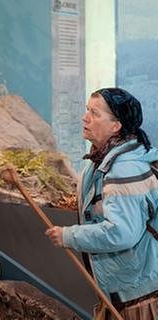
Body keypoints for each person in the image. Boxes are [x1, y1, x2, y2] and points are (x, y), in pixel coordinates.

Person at [46, 88, 158, 319]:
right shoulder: (102, 161)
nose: (85, 117)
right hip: (123, 293)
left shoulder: (124, 168)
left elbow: (121, 232)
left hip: (140, 298)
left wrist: (69, 236)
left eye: (95, 113)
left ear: (115, 126)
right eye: (87, 110)